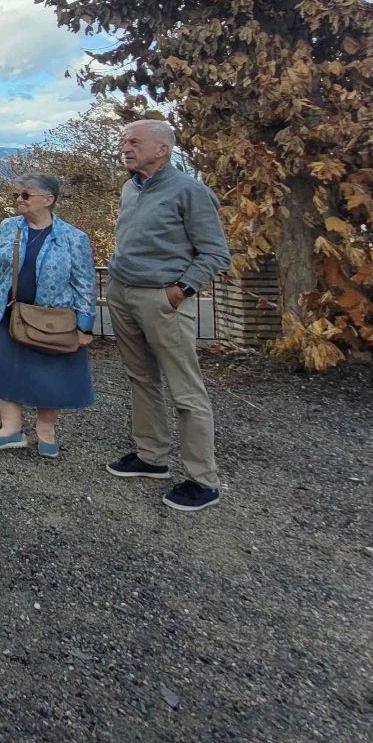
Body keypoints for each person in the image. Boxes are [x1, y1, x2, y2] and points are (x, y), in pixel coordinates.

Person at [104, 120, 232, 512]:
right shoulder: (130, 188)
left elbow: (215, 253)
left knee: (185, 390)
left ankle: (202, 479)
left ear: (162, 149)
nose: (125, 147)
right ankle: (151, 456)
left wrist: (180, 291)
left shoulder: (190, 192)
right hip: (122, 293)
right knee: (140, 377)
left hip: (163, 300)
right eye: (124, 141)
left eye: (134, 142)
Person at [0, 173, 98, 457]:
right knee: (6, 368)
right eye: (17, 195)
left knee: (50, 374)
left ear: (48, 199)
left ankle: (46, 431)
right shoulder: (8, 228)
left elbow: (85, 284)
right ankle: (10, 429)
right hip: (7, 312)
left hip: (52, 319)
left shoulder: (73, 238)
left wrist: (84, 326)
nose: (19, 200)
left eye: (26, 195)